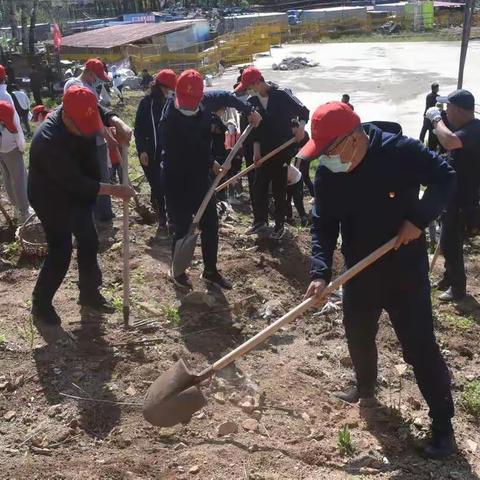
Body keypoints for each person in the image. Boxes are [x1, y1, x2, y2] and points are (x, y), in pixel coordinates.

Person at [301, 101, 456, 459]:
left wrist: (418, 218)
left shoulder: (400, 151)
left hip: (404, 268)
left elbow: (445, 176)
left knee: (419, 346)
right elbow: (323, 224)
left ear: (353, 138)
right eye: (319, 153)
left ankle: (443, 426)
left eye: (329, 151)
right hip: (360, 267)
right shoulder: (328, 173)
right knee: (357, 331)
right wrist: (320, 271)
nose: (324, 160)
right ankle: (365, 386)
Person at [28, 86, 134, 326]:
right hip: (51, 197)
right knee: (61, 250)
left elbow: (97, 109)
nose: (87, 132)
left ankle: (89, 293)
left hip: (79, 192)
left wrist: (116, 121)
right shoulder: (49, 141)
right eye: (81, 127)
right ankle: (41, 303)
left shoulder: (81, 105)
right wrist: (114, 190)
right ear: (65, 115)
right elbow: (76, 183)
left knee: (89, 239)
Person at [160, 69, 261, 290]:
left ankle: (210, 271)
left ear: (200, 97)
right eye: (183, 100)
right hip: (176, 176)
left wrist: (249, 110)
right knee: (182, 226)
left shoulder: (207, 101)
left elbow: (227, 96)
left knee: (210, 224)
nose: (186, 105)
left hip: (200, 177)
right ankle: (179, 272)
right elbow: (186, 152)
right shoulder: (170, 119)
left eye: (191, 101)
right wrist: (212, 164)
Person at [234, 66, 309, 240]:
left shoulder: (282, 94)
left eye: (250, 86)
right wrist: (256, 152)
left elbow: (303, 111)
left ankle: (280, 224)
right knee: (258, 185)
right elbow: (256, 132)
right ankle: (260, 220)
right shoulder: (253, 102)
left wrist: (301, 128)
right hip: (264, 149)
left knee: (278, 187)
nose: (249, 90)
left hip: (283, 148)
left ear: (258, 81)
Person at [425, 89, 480, 302]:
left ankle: (458, 289)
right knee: (448, 240)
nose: (445, 113)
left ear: (457, 109)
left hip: (463, 199)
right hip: (453, 195)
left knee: (451, 242)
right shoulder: (465, 129)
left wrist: (436, 119)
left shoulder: (475, 129)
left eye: (447, 108)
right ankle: (449, 278)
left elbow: (450, 142)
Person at [64, 58, 131, 223]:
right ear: (88, 72)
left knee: (101, 175)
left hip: (94, 138)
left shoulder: (85, 87)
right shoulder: (76, 87)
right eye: (96, 77)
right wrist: (109, 138)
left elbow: (99, 115)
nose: (97, 80)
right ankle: (102, 214)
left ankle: (101, 212)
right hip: (89, 140)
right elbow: (94, 118)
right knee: (99, 176)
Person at [134, 69, 177, 239]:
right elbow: (138, 129)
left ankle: (174, 218)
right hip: (151, 153)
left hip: (170, 151)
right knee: (158, 187)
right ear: (160, 86)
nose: (169, 91)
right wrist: (142, 150)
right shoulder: (147, 104)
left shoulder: (173, 102)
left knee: (171, 186)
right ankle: (162, 219)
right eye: (168, 88)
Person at [0, 66, 31, 223]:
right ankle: (24, 211)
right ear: (4, 78)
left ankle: (16, 208)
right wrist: (20, 145)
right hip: (10, 143)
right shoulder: (5, 96)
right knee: (19, 178)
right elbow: (15, 123)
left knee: (7, 176)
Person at [420, 82, 440, 151]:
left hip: (426, 115)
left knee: (424, 130)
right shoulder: (437, 97)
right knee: (431, 132)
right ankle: (429, 148)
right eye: (437, 88)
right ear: (435, 89)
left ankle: (420, 143)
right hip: (431, 116)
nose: (438, 89)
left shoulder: (428, 96)